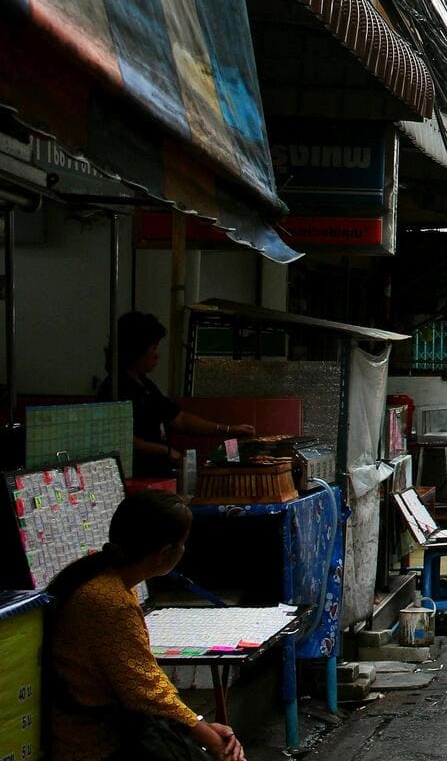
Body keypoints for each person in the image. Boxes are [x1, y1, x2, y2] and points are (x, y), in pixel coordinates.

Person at [46, 491, 246, 760]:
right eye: (182, 543)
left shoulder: (108, 582)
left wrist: (197, 724)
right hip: (93, 742)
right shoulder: (111, 601)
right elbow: (146, 692)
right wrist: (209, 738)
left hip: (112, 725)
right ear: (165, 553)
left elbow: (145, 681)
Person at [101, 312, 253, 479]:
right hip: (134, 478)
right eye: (154, 348)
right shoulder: (114, 389)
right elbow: (120, 438)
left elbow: (180, 419)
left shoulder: (147, 387)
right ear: (138, 350)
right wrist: (166, 452)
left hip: (158, 475)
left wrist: (229, 429)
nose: (156, 355)